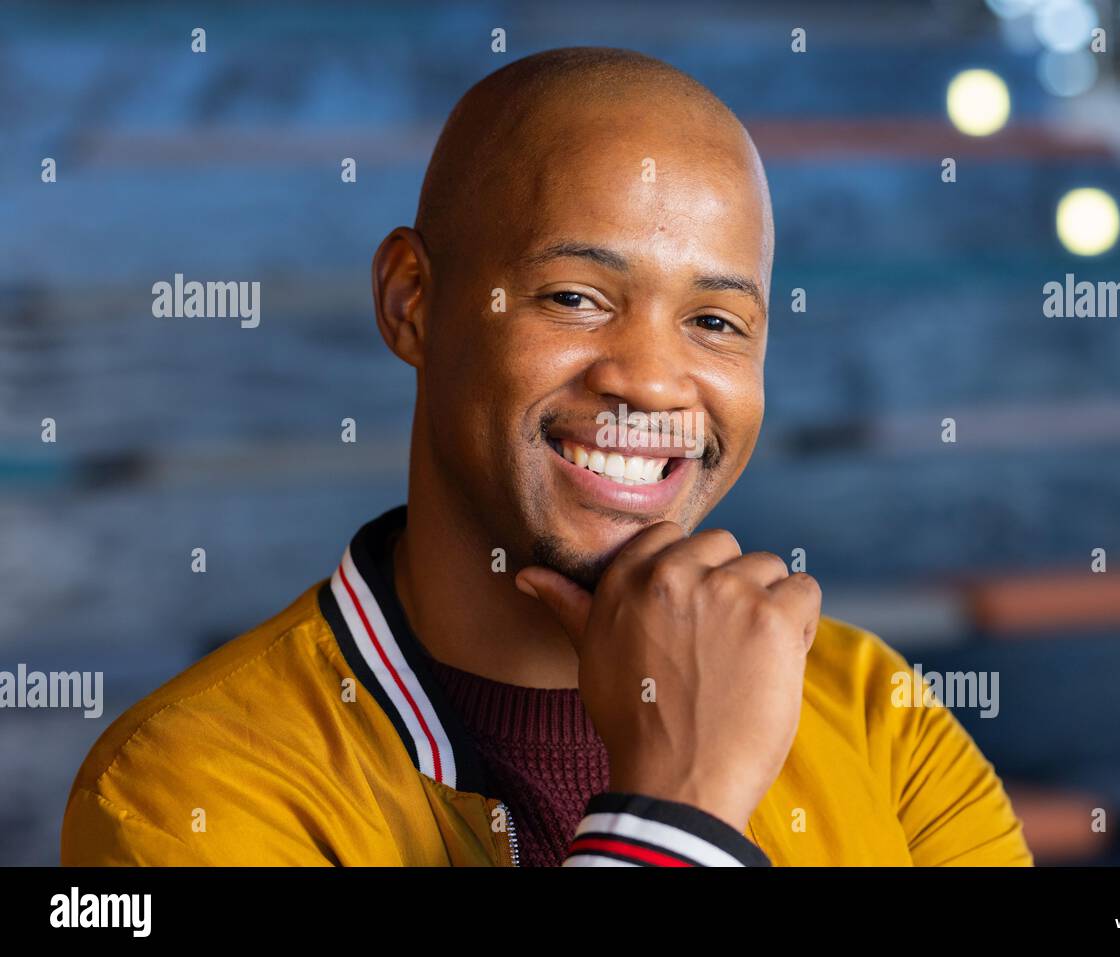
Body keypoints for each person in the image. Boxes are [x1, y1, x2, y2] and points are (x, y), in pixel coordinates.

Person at [62, 47, 1032, 867]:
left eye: (713, 321)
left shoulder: (872, 707)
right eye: (574, 297)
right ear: (412, 302)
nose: (652, 382)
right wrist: (675, 812)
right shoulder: (176, 789)